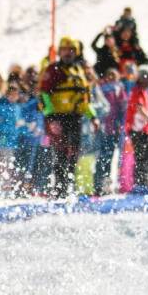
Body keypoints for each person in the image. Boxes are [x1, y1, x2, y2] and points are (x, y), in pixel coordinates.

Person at [38, 36, 99, 197]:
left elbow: (84, 98)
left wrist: (93, 117)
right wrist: (51, 119)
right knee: (60, 154)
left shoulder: (78, 71)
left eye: (71, 50)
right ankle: (59, 190)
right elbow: (43, 95)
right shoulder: (53, 70)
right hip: (58, 118)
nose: (68, 53)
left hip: (75, 118)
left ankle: (68, 188)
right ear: (60, 52)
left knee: (73, 155)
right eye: (65, 50)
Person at [94, 68, 127, 195]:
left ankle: (106, 185)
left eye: (114, 75)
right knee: (101, 157)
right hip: (102, 126)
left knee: (109, 157)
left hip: (114, 127)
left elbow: (123, 107)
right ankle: (98, 185)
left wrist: (120, 123)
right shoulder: (102, 88)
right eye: (109, 75)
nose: (112, 77)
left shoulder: (119, 88)